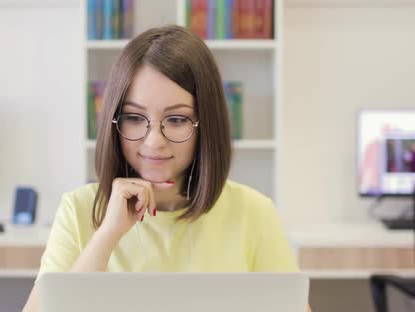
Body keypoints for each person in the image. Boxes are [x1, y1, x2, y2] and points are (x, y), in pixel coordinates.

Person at [23, 25, 308, 311]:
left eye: (177, 120)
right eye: (134, 117)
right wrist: (108, 234)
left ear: (205, 125)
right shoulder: (79, 209)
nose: (154, 141)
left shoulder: (253, 212)